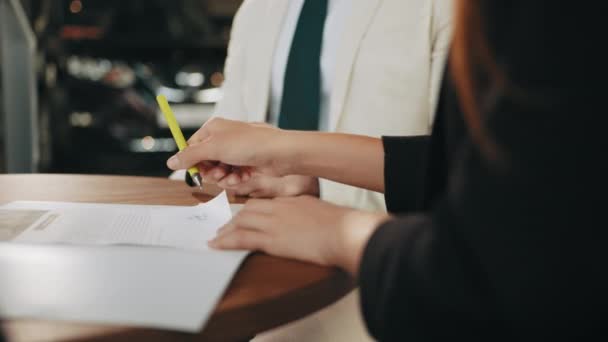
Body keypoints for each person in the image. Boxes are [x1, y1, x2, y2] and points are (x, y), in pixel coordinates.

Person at [168, 0, 605, 340]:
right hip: (261, 294)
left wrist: (340, 229)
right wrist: (298, 164)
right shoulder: (260, 10)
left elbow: (493, 237)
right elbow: (454, 168)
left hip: (387, 303)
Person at [195, 0, 453, 340]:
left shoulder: (444, 8)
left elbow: (458, 176)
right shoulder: (259, 8)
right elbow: (226, 130)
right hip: (253, 277)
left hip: (383, 291)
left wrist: (321, 187)